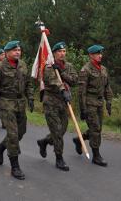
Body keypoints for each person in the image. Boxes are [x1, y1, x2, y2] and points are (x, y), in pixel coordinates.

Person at [0, 40, 34, 180]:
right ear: (7, 53)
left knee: (21, 132)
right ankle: (15, 166)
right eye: (14, 50)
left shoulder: (23, 65)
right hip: (6, 103)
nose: (18, 52)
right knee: (13, 135)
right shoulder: (0, 67)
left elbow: (29, 83)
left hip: (20, 103)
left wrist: (30, 97)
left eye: (19, 50)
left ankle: (0, 147)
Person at [36, 42, 78, 171]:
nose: (62, 53)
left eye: (64, 51)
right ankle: (59, 158)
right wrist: (62, 89)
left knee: (62, 130)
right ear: (54, 53)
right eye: (59, 51)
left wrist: (62, 73)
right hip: (51, 102)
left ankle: (44, 142)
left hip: (63, 103)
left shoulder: (68, 66)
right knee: (57, 131)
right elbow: (51, 81)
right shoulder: (49, 66)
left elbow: (74, 80)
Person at [72, 44, 113, 167]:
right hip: (90, 103)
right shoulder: (86, 70)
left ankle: (79, 139)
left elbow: (107, 87)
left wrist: (109, 101)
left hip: (100, 103)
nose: (100, 55)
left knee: (98, 128)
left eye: (101, 53)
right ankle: (96, 156)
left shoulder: (104, 69)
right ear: (91, 55)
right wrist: (82, 109)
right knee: (96, 129)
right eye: (97, 53)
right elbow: (81, 92)